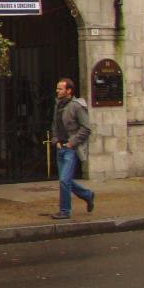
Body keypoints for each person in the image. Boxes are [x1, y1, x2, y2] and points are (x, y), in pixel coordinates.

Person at [50, 77, 94, 220]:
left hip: (70, 148)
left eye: (60, 88)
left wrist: (71, 142)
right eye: (57, 88)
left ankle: (65, 211)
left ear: (68, 91)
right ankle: (87, 194)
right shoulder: (58, 105)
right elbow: (55, 125)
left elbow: (86, 128)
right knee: (66, 179)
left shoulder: (76, 106)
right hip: (60, 147)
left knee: (64, 180)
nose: (57, 91)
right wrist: (55, 140)